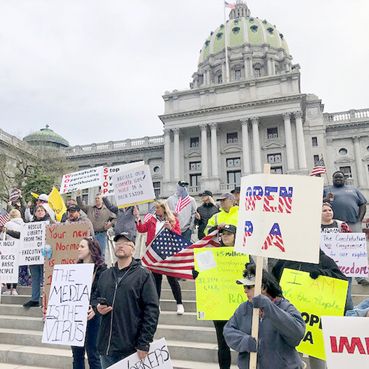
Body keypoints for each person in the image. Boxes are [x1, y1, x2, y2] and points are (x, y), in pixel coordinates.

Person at [272, 245, 350, 369]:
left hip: (315, 323)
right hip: (291, 317)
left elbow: (342, 281)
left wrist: (324, 273)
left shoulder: (324, 260)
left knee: (317, 361)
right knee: (292, 359)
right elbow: (273, 279)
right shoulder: (286, 260)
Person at [95, 231, 159, 369]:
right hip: (106, 346)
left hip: (131, 347)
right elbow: (95, 299)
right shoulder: (105, 275)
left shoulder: (143, 275)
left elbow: (151, 310)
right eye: (118, 243)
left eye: (125, 243)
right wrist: (97, 308)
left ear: (133, 248)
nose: (120, 246)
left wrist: (144, 342)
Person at [223, 266, 306, 369]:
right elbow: (228, 331)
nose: (245, 290)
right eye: (244, 286)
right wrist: (245, 341)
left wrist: (269, 308)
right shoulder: (243, 308)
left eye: (249, 287)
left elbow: (297, 334)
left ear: (263, 288)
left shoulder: (285, 306)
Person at [136, 200, 185, 314]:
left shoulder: (173, 220)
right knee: (156, 280)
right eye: (155, 208)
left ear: (163, 209)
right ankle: (156, 304)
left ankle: (179, 303)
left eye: (158, 208)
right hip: (154, 253)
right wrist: (138, 218)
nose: (156, 210)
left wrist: (170, 228)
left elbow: (178, 236)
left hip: (168, 253)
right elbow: (141, 229)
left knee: (172, 279)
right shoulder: (152, 220)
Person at [323, 170, 368, 285]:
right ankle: (338, 275)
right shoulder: (327, 190)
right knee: (337, 251)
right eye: (336, 178)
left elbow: (363, 204)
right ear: (332, 179)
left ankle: (360, 277)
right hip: (335, 225)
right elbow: (319, 203)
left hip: (353, 222)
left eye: (340, 177)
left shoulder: (353, 189)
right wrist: (326, 199)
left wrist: (359, 218)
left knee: (356, 250)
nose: (338, 179)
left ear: (345, 179)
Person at [71, 237, 107, 369]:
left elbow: (104, 293)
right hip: (76, 315)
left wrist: (95, 307)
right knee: (77, 355)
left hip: (93, 316)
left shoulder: (102, 270)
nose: (78, 249)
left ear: (91, 249)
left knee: (93, 353)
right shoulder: (75, 269)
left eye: (82, 246)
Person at [212, 224, 237, 369]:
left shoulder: (243, 254)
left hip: (238, 306)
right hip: (219, 304)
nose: (225, 236)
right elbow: (204, 275)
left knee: (245, 342)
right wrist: (197, 272)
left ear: (235, 236)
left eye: (229, 233)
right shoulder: (213, 254)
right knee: (222, 344)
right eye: (223, 233)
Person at [23, 205, 51, 308]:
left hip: (46, 253)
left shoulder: (50, 223)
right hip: (33, 254)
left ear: (45, 212)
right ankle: (35, 299)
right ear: (34, 213)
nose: (39, 212)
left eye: (41, 210)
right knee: (35, 277)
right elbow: (22, 236)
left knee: (46, 278)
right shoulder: (29, 225)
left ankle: (46, 299)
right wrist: (8, 231)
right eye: (37, 211)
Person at [1, 209, 24, 295]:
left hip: (9, 248)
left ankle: (8, 289)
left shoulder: (7, 224)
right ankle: (14, 289)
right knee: (15, 269)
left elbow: (3, 236)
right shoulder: (23, 224)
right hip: (19, 248)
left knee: (8, 268)